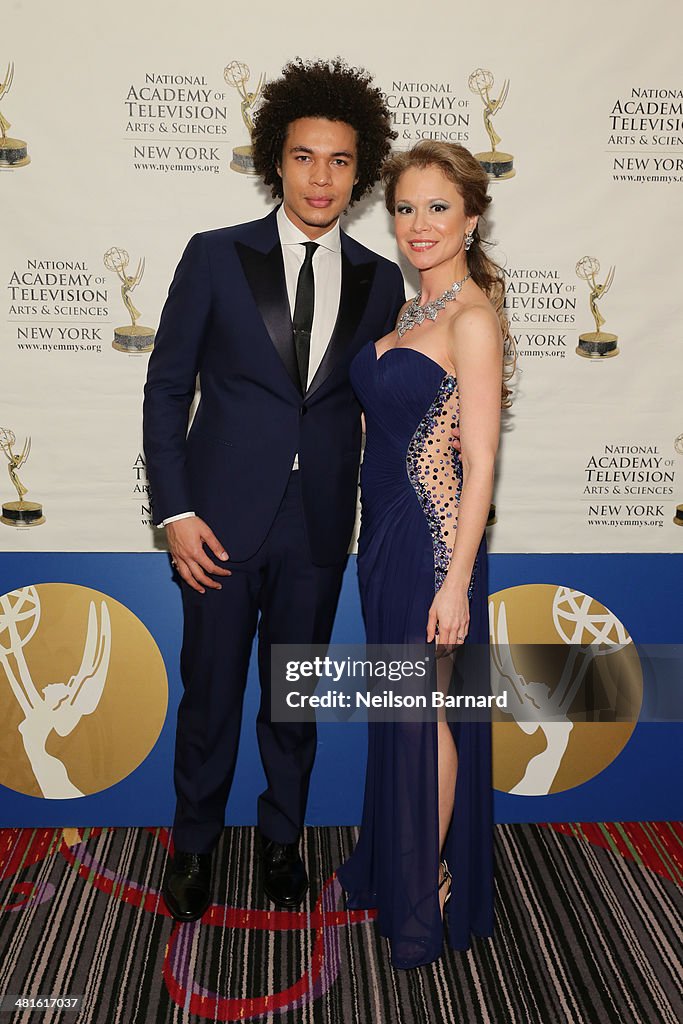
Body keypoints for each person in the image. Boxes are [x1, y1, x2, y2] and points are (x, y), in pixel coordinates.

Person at [142, 58, 405, 922]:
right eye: (303, 157)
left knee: (293, 697)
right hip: (216, 523)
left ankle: (284, 840)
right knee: (211, 694)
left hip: (320, 527)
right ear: (275, 160)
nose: (321, 177)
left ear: (358, 172)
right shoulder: (215, 257)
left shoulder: (379, 278)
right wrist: (174, 512)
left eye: (338, 161)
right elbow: (167, 388)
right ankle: (193, 848)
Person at [336, 140, 512, 969]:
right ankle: (396, 861)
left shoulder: (472, 319)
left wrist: (455, 582)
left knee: (423, 713)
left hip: (433, 543)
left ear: (471, 217)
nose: (418, 224)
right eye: (405, 206)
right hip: (384, 536)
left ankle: (427, 884)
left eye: (438, 207)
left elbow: (479, 463)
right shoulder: (410, 313)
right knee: (401, 709)